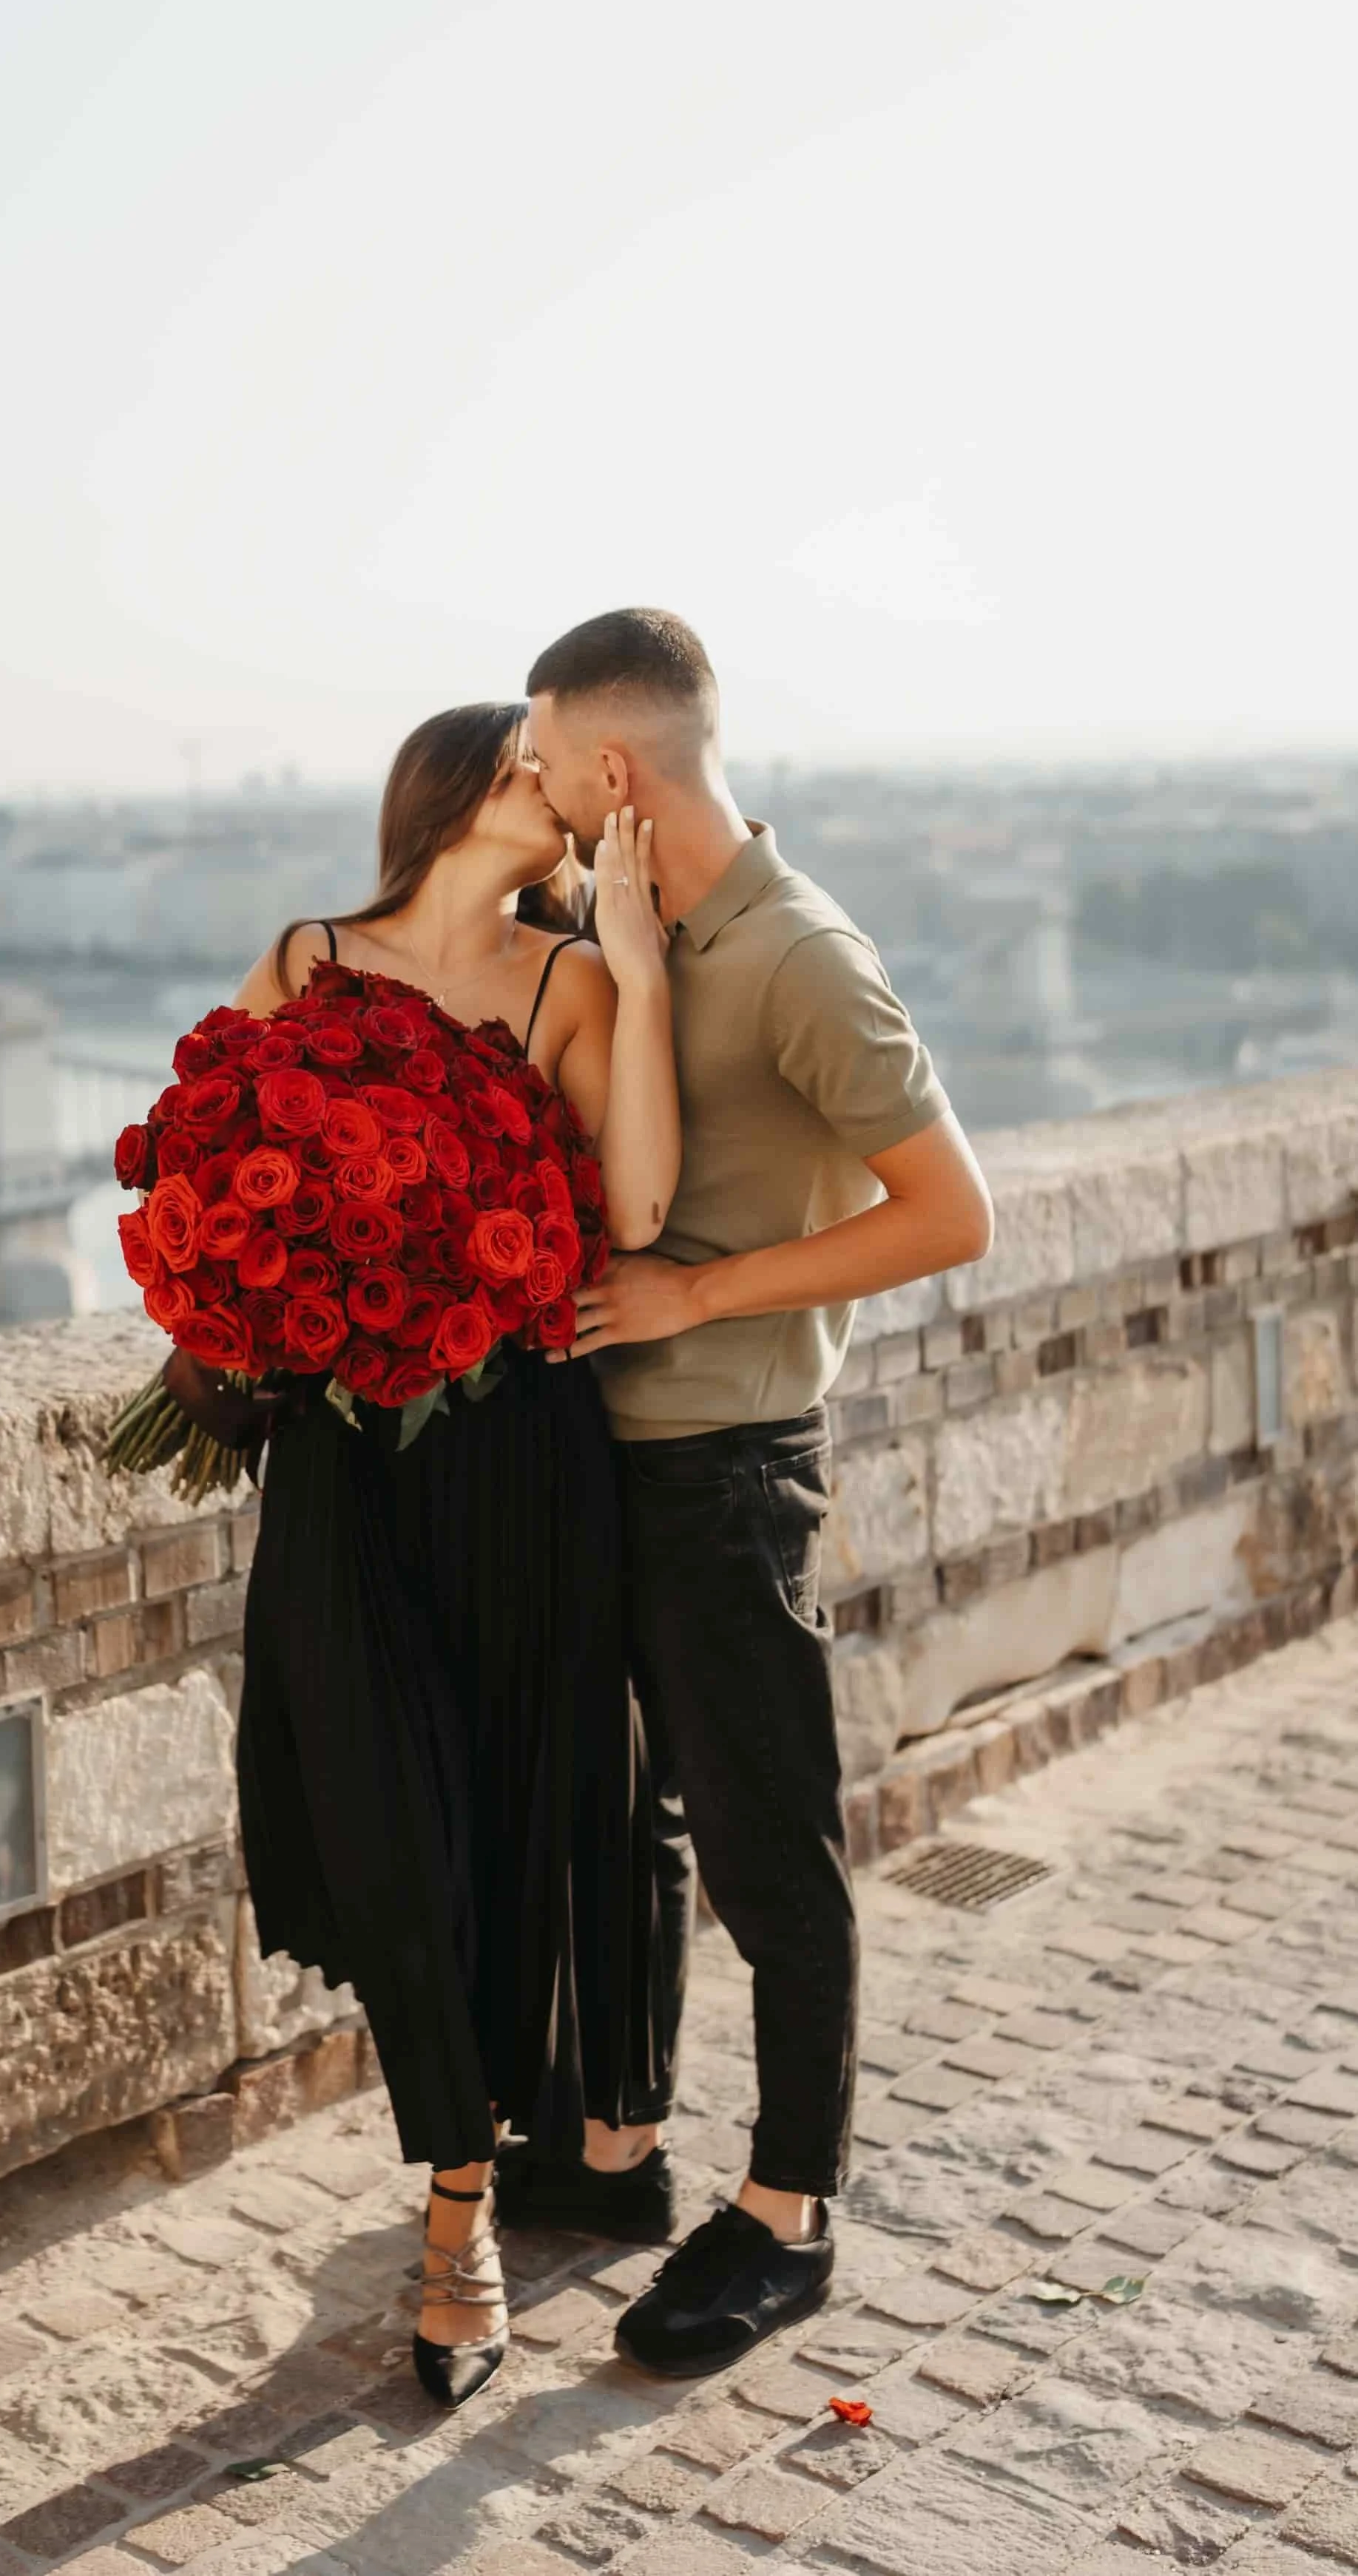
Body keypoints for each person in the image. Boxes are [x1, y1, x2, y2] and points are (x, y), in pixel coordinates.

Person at [523, 609, 995, 2378]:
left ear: (615, 768)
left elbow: (953, 1214)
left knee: (762, 1844)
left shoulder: (800, 957)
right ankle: (617, 2155)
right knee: (629, 1829)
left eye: (554, 765)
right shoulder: (633, 930)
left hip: (727, 1470)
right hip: (611, 1460)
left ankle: (791, 2216)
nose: (546, 795)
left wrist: (694, 1295)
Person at [232, 702, 682, 2408]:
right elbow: (223, 1155)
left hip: (515, 1455)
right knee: (381, 1813)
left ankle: (459, 2214)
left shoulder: (567, 981)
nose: (566, 801)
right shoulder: (306, 957)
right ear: (468, 787)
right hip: (344, 1462)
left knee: (494, 1821)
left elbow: (630, 1212)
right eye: (537, 771)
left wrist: (631, 970)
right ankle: (457, 2186)